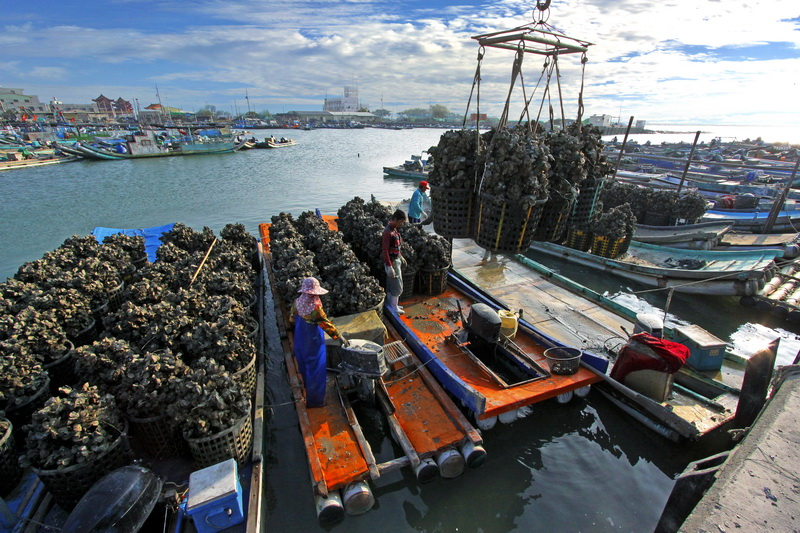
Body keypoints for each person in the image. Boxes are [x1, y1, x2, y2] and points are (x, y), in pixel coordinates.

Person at [290, 277, 347, 407]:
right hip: (313, 342)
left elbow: (292, 319)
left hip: (300, 339)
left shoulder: (297, 303)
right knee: (316, 369)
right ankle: (315, 402)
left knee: (304, 366)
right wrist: (339, 338)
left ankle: (306, 389)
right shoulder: (315, 309)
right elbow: (326, 324)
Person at [381, 209, 407, 314]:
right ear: (395, 219)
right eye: (401, 222)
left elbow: (397, 246)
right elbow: (385, 250)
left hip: (396, 259)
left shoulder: (394, 229)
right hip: (392, 261)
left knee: (393, 283)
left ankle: (393, 304)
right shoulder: (388, 232)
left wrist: (401, 257)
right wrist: (389, 265)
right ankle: (394, 306)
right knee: (396, 284)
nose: (401, 224)